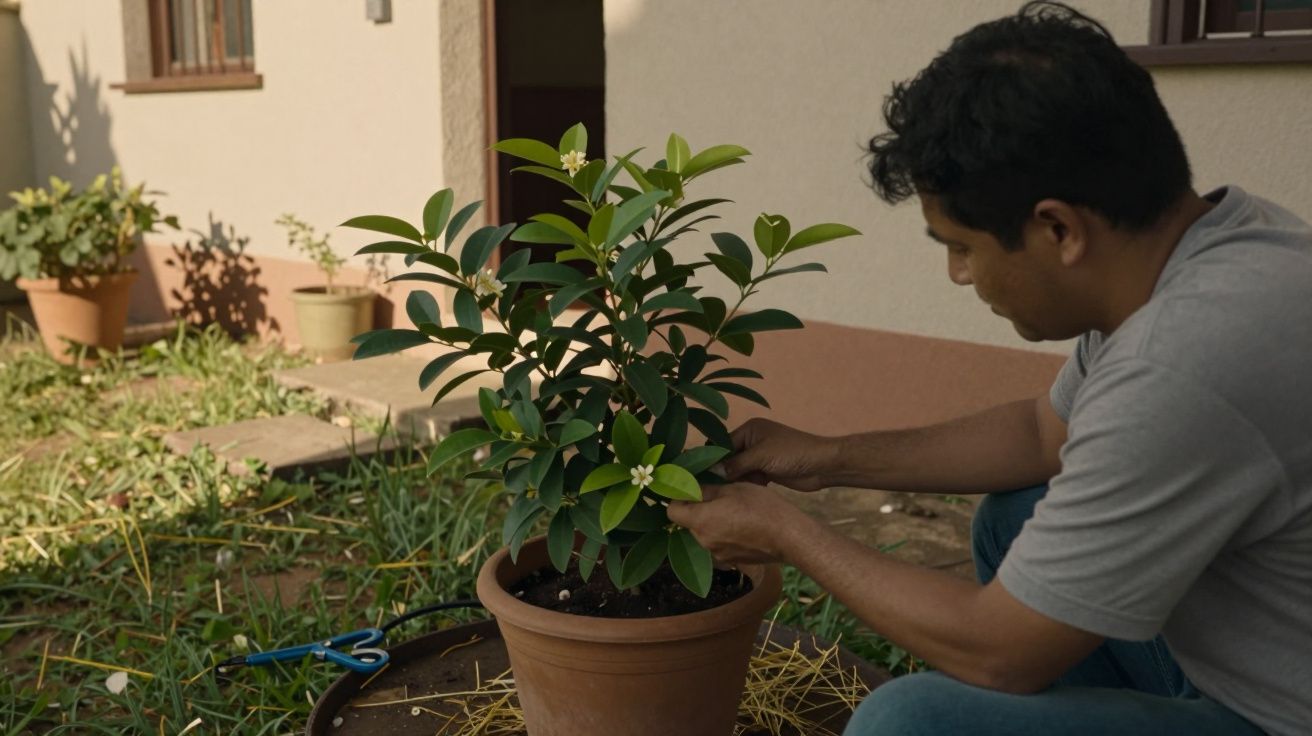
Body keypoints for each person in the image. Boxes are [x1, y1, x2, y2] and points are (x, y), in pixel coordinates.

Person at [665, 3, 1311, 734]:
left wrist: (788, 533)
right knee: (1016, 514)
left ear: (1057, 229)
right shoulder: (1211, 249)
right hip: (1250, 656)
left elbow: (1002, 653)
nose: (958, 276)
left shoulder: (1185, 362)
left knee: (909, 724)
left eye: (962, 246)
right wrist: (830, 458)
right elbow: (1044, 434)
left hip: (1278, 711)